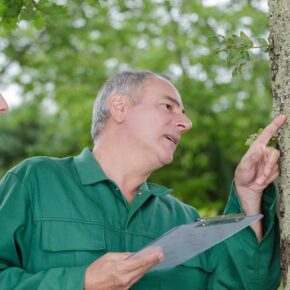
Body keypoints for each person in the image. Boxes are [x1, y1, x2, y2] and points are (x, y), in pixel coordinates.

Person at [0, 71, 286, 290]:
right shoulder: (34, 182)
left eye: (183, 113)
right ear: (120, 107)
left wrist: (248, 194)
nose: (186, 124)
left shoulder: (184, 219)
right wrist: (82, 281)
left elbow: (248, 284)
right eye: (168, 107)